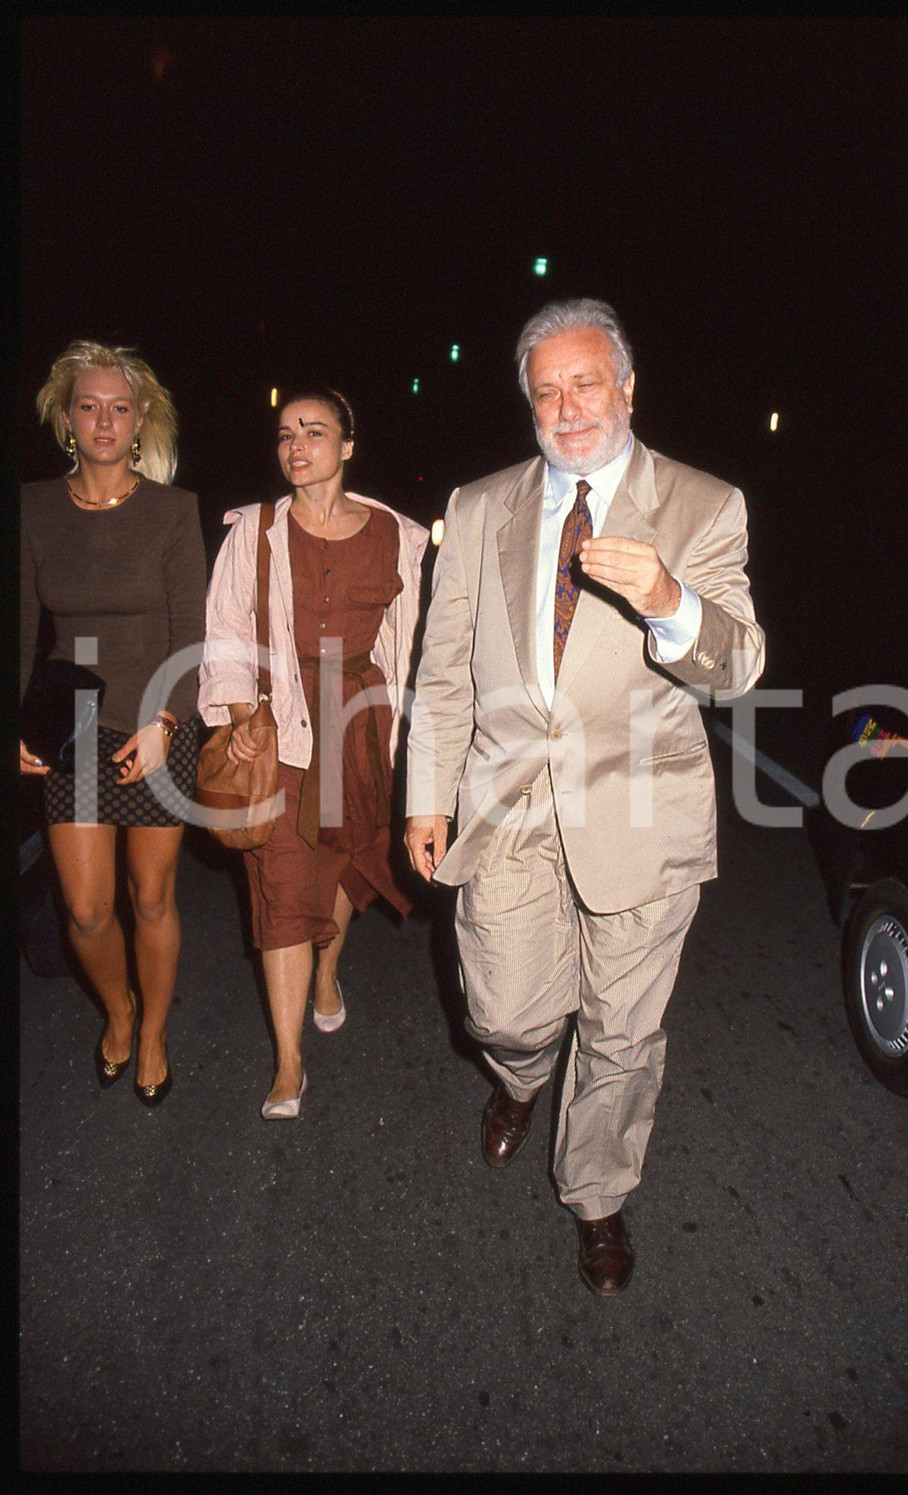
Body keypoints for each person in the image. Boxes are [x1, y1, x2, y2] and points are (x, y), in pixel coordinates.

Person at [404, 298, 765, 1295]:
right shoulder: (482, 507)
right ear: (527, 400)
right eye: (546, 389)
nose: (568, 407)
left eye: (586, 382)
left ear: (627, 387)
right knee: (506, 1010)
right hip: (507, 803)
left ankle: (598, 1192)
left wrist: (668, 602)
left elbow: (735, 668)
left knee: (622, 1031)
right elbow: (441, 672)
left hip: (644, 813)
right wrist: (425, 797)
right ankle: (518, 1079)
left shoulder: (703, 505)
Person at [199, 388, 428, 1119]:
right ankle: (289, 1063)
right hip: (280, 723)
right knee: (280, 879)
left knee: (345, 856)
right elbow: (227, 627)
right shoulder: (256, 530)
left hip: (361, 719)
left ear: (348, 444)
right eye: (285, 433)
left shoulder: (397, 534)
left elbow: (415, 638)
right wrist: (240, 714)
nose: (296, 445)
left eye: (315, 430)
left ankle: (329, 968)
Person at [20, 340, 207, 1107]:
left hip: (158, 713)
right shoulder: (33, 507)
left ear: (140, 424)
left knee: (151, 896)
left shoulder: (172, 511)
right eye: (89, 405)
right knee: (88, 907)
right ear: (67, 418)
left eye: (119, 407)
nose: (104, 419)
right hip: (72, 720)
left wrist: (168, 719)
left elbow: (193, 633)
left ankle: (154, 1028)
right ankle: (119, 1007)